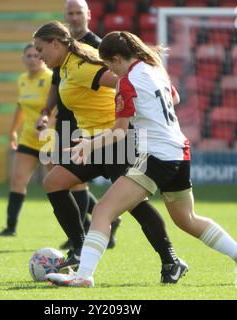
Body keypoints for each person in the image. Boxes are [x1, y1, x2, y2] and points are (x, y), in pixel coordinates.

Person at [46, 31, 237, 287]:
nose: (110, 70)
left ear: (115, 59)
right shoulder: (155, 68)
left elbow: (119, 131)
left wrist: (89, 144)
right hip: (179, 151)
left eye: (108, 64)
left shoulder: (127, 83)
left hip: (156, 156)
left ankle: (83, 276)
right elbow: (174, 97)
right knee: (186, 219)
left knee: (103, 210)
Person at [33, 21, 188, 284]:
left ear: (56, 43)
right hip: (93, 141)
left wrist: (120, 117)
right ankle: (81, 250)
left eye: (41, 49)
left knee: (135, 206)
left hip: (116, 141)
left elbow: (122, 80)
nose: (40, 56)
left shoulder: (82, 65)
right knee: (54, 182)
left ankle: (170, 260)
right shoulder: (68, 63)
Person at [36, 0, 121, 250]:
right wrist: (45, 112)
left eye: (78, 12)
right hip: (66, 119)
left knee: (75, 180)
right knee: (60, 176)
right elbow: (55, 85)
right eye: (69, 13)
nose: (74, 17)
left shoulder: (95, 45)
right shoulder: (58, 53)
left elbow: (115, 80)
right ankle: (86, 232)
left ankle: (82, 236)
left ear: (88, 15)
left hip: (90, 126)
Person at [0, 44, 55, 236]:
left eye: (36, 55)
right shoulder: (22, 80)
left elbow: (58, 107)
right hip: (28, 138)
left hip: (50, 139)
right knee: (18, 180)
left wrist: (48, 127)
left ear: (42, 58)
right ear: (23, 59)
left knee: (62, 183)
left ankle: (91, 221)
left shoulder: (51, 78)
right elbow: (21, 107)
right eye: (28, 56)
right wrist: (13, 130)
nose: (33, 59)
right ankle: (10, 228)